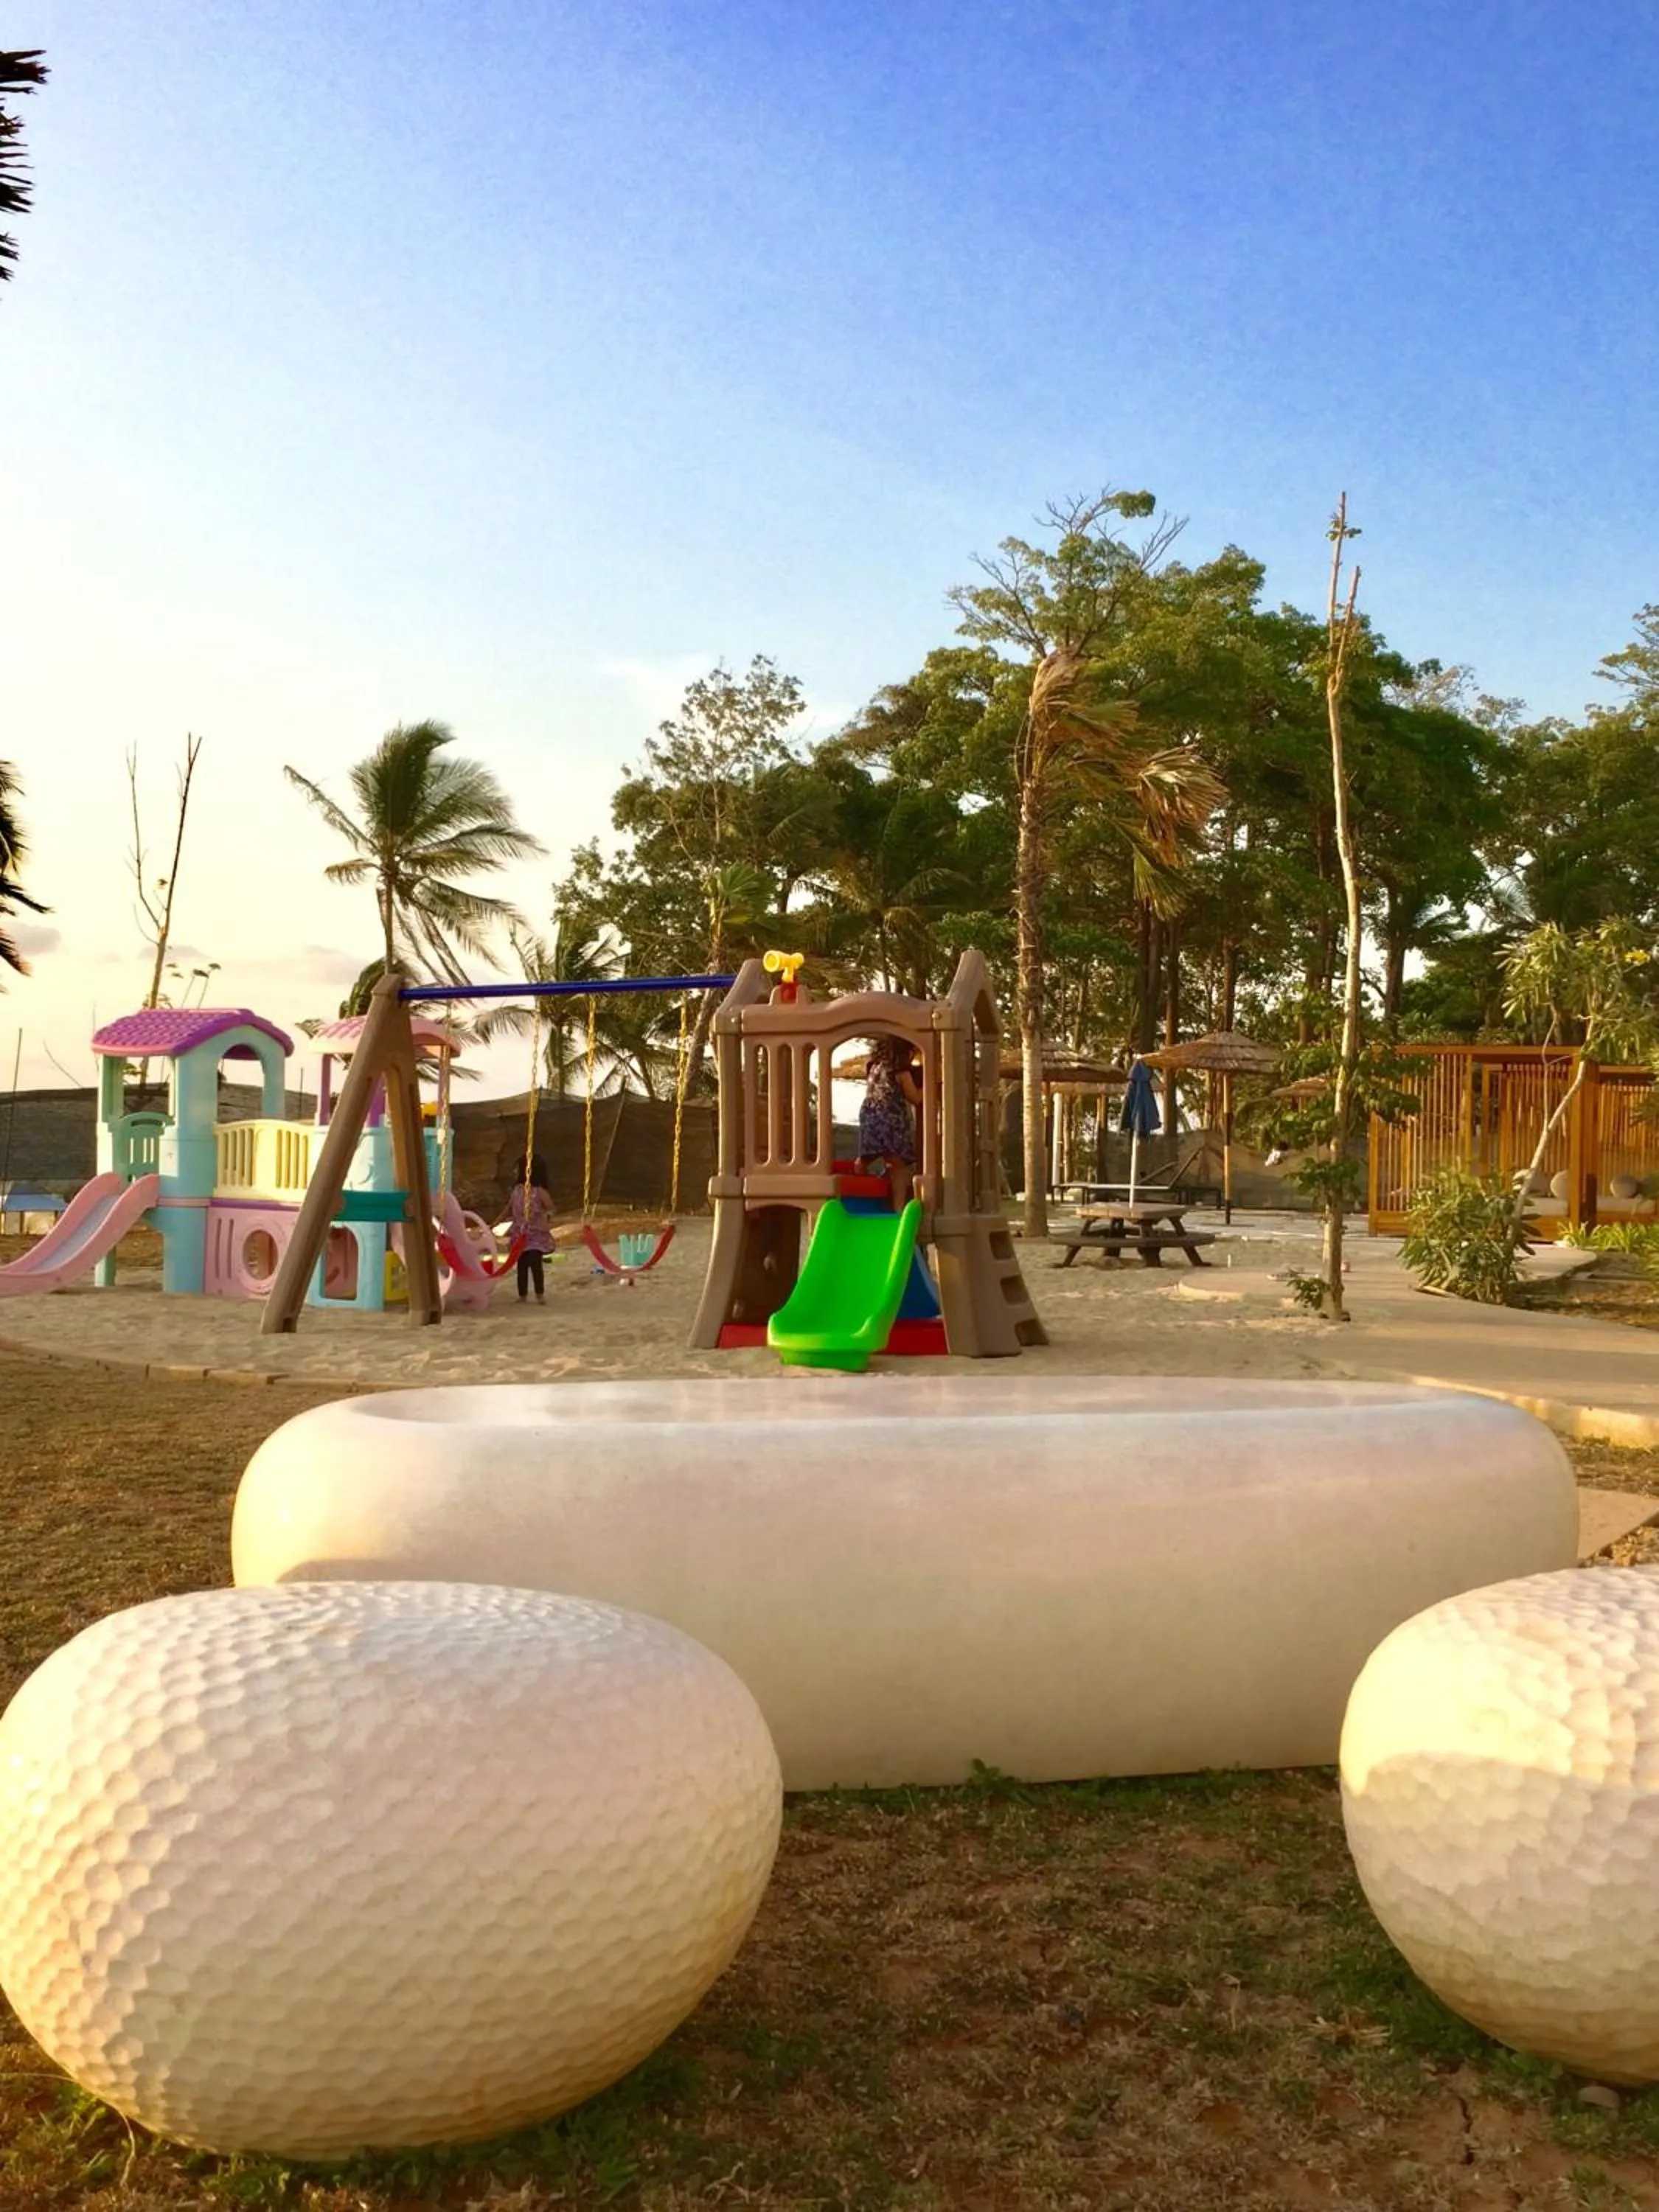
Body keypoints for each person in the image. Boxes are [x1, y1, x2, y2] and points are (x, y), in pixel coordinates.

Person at [857, 1037, 922, 1208]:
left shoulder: (874, 1068)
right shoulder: (900, 1070)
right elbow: (914, 1097)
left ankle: (861, 1194)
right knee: (897, 1167)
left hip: (871, 1116)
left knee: (866, 1158)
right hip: (892, 1120)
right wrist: (928, 1087)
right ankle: (898, 1209)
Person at [507, 1153, 555, 1302]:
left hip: (535, 1234)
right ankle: (522, 1295)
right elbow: (508, 1208)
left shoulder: (539, 1192)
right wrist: (495, 1223)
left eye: (517, 1168)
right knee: (521, 1265)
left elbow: (551, 1208)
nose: (514, 1172)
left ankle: (539, 1294)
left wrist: (547, 1216)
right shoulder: (517, 1190)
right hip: (520, 1234)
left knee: (535, 1263)